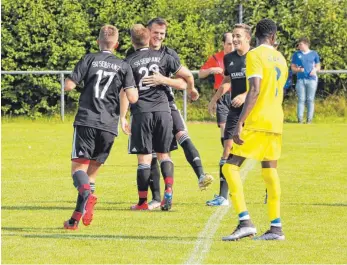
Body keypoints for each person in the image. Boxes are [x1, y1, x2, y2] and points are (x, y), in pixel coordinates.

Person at [63, 25, 138, 229]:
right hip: (108, 125)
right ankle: (74, 221)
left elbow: (69, 86)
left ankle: (87, 194)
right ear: (117, 44)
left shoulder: (89, 59)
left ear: (98, 42)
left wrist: (73, 83)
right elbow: (132, 97)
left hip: (87, 120)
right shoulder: (124, 66)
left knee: (78, 172)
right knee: (91, 175)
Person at [221, 18, 288, 241]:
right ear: (274, 37)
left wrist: (240, 122)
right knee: (270, 172)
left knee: (229, 168)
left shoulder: (254, 55)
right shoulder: (281, 58)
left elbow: (255, 90)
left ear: (256, 36)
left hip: (258, 120)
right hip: (276, 121)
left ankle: (245, 222)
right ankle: (276, 228)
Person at [143, 17, 214, 210]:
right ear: (147, 31)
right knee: (152, 153)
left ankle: (200, 175)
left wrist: (163, 80)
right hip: (144, 108)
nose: (158, 37)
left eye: (162, 34)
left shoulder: (168, 54)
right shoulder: (137, 51)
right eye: (155, 32)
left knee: (182, 136)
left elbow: (183, 81)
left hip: (166, 104)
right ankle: (157, 197)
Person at [121, 24, 192, 211]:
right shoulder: (163, 56)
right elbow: (184, 80)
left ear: (131, 40)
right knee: (164, 155)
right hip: (163, 111)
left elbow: (125, 92)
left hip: (142, 112)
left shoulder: (128, 61)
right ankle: (168, 189)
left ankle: (143, 202)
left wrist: (122, 116)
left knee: (144, 159)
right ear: (149, 38)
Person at [207, 23, 252, 206]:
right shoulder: (229, 58)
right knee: (227, 149)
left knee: (264, 152)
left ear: (248, 38)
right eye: (233, 36)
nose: (234, 39)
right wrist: (215, 99)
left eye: (238, 36)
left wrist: (244, 95)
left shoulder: (255, 57)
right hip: (234, 110)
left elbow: (262, 84)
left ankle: (269, 191)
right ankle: (223, 196)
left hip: (254, 109)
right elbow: (227, 79)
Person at [199, 33, 234, 147]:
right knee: (223, 128)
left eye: (234, 43)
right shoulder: (216, 58)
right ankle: (227, 156)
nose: (232, 47)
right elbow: (200, 74)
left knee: (237, 129)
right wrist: (211, 70)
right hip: (221, 97)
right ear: (223, 44)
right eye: (229, 44)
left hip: (237, 95)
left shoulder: (241, 57)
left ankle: (233, 154)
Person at [291, 37, 321, 123]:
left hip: (312, 80)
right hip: (300, 80)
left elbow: (318, 66)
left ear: (306, 44)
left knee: (310, 99)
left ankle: (309, 119)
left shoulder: (314, 54)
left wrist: (314, 70)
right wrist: (298, 70)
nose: (299, 46)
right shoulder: (296, 54)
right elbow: (293, 67)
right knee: (301, 99)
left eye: (300, 44)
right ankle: (300, 119)